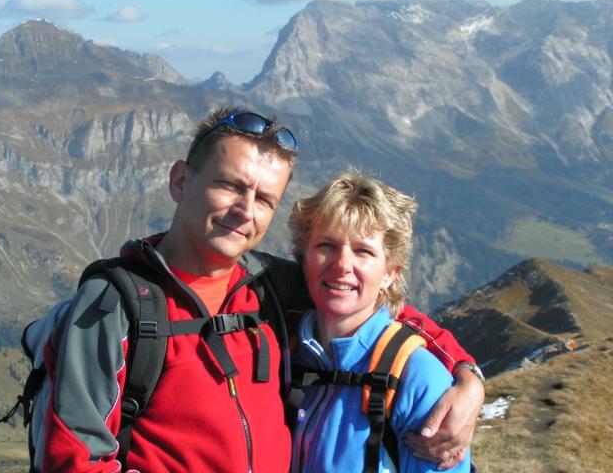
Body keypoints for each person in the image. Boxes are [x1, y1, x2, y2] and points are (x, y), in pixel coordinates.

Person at [40, 107, 482, 472]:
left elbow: (366, 308)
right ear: (180, 181)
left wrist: (466, 376)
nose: (245, 210)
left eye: (265, 199)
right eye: (230, 185)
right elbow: (75, 460)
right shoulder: (116, 306)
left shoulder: (269, 285)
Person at [288, 171, 474, 473]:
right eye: (326, 246)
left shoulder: (418, 379)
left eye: (363, 251)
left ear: (390, 273)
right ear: (304, 258)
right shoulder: (280, 351)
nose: (342, 264)